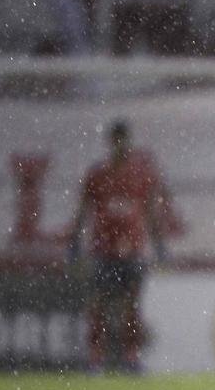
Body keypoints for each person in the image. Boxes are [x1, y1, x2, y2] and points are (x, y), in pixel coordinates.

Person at [67, 120, 167, 374]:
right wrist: (74, 242)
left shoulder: (141, 174)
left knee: (131, 305)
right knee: (98, 304)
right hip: (103, 249)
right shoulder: (97, 174)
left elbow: (150, 211)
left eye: (124, 140)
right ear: (110, 142)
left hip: (132, 250)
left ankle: (131, 358)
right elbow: (83, 210)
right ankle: (95, 359)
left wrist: (159, 245)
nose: (121, 144)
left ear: (129, 141)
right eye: (117, 140)